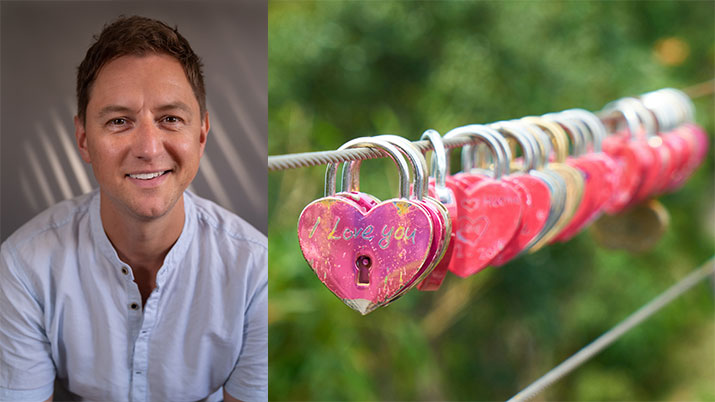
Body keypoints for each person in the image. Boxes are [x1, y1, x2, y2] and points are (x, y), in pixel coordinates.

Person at [0, 15, 267, 402]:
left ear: (202, 135)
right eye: (120, 121)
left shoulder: (255, 271)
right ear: (83, 139)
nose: (149, 148)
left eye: (170, 119)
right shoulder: (23, 267)